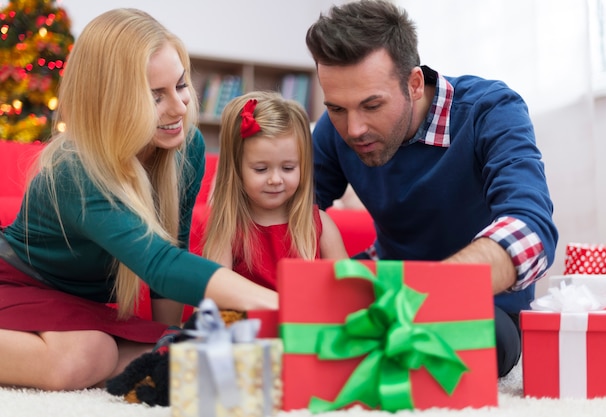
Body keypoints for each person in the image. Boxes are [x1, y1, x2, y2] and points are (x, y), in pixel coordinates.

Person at [0, 8, 276, 391]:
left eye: (180, 85)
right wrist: (283, 304)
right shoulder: (74, 169)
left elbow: (172, 244)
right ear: (110, 102)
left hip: (78, 303)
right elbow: (161, 264)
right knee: (84, 355)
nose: (179, 107)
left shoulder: (185, 147)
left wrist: (171, 333)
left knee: (184, 355)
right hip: (16, 283)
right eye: (155, 96)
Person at [305, 0, 558, 377]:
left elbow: (531, 227)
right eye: (337, 108)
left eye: (372, 105)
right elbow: (295, 213)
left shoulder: (490, 110)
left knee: (474, 347)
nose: (353, 128)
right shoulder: (334, 128)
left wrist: (425, 295)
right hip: (386, 282)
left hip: (483, 302)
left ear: (414, 83)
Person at [203, 91, 348, 291]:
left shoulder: (321, 226)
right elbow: (214, 299)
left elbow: (347, 293)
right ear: (236, 168)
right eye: (261, 169)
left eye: (288, 168)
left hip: (308, 322)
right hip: (245, 322)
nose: (275, 180)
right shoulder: (229, 229)